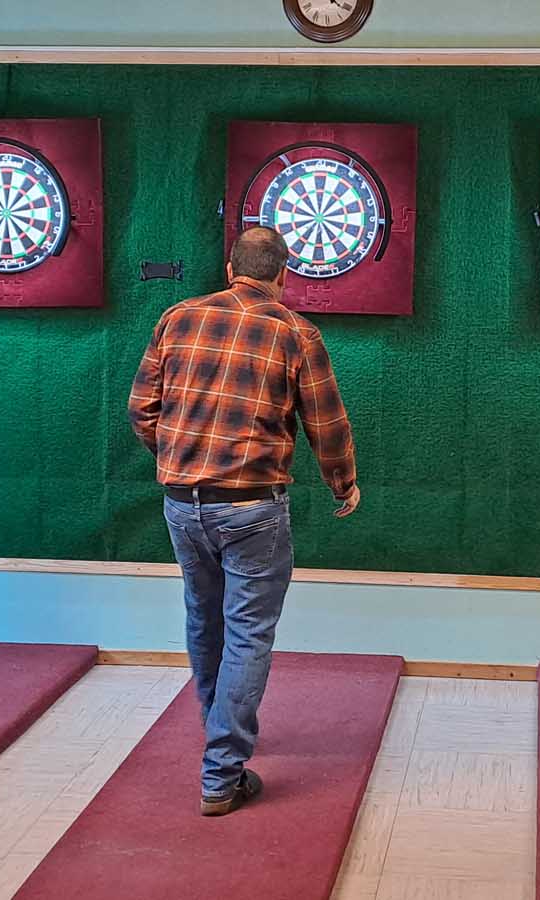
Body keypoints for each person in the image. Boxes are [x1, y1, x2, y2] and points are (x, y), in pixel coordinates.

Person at [128, 226, 362, 815]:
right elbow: (326, 423)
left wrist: (176, 456)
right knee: (249, 632)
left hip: (182, 502)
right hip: (254, 506)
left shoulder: (177, 318)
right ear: (283, 275)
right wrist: (343, 482)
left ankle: (218, 727)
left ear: (231, 268)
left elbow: (141, 409)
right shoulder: (296, 332)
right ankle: (221, 775)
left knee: (203, 617)